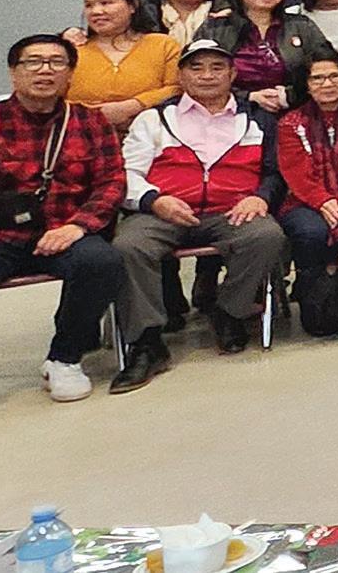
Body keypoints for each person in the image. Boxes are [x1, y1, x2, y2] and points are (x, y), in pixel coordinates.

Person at [0, 35, 126, 439]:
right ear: (14, 73)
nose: (45, 70)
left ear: (70, 74)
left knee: (102, 262)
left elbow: (112, 181)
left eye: (56, 62)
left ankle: (64, 359)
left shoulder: (89, 121)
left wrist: (78, 226)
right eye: (33, 62)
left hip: (62, 228)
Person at [108, 39, 287, 390]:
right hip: (163, 211)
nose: (207, 75)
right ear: (181, 75)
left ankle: (229, 311)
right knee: (128, 246)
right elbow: (126, 173)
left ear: (232, 74)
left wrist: (260, 197)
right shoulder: (154, 118)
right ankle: (147, 342)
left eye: (217, 68)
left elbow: (275, 172)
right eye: (196, 68)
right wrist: (153, 200)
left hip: (231, 210)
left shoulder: (258, 118)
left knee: (266, 236)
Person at [195, 0, 335, 112]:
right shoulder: (215, 28)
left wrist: (290, 95)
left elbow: (334, 68)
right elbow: (196, 76)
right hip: (228, 112)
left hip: (297, 112)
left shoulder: (301, 26)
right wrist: (248, 97)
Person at [65, 0, 182, 130]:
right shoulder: (72, 50)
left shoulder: (163, 45)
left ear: (132, 6)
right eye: (88, 5)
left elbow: (177, 88)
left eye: (106, 3)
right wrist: (92, 114)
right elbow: (51, 93)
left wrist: (132, 106)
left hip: (151, 133)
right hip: (79, 133)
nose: (96, 11)